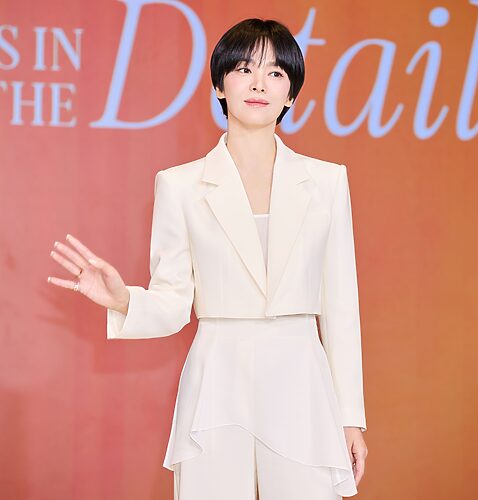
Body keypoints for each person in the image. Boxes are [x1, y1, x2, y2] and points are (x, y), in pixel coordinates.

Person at [48, 17, 368, 500]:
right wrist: (124, 299)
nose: (259, 84)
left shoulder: (326, 182)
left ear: (291, 96)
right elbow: (174, 301)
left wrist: (349, 418)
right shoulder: (179, 185)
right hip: (217, 377)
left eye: (276, 73)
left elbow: (341, 308)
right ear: (220, 85)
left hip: (301, 378)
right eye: (244, 69)